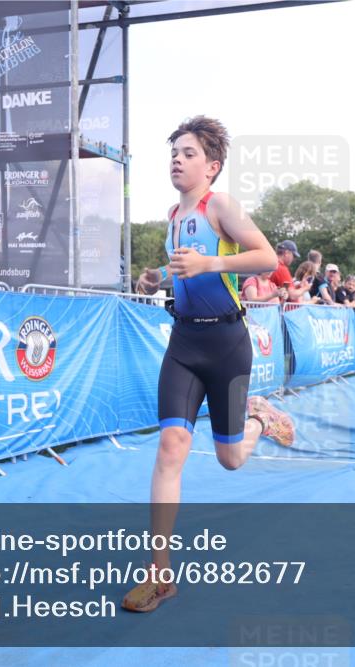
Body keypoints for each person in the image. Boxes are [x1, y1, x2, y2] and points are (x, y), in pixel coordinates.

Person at [128, 116, 296, 613]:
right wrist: (156, 277)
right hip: (184, 342)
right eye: (173, 153)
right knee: (171, 446)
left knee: (230, 459)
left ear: (212, 166)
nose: (177, 161)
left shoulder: (220, 205)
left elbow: (267, 258)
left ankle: (259, 419)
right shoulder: (172, 215)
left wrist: (212, 263)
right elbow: (184, 271)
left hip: (227, 343)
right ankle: (160, 575)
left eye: (188, 153)